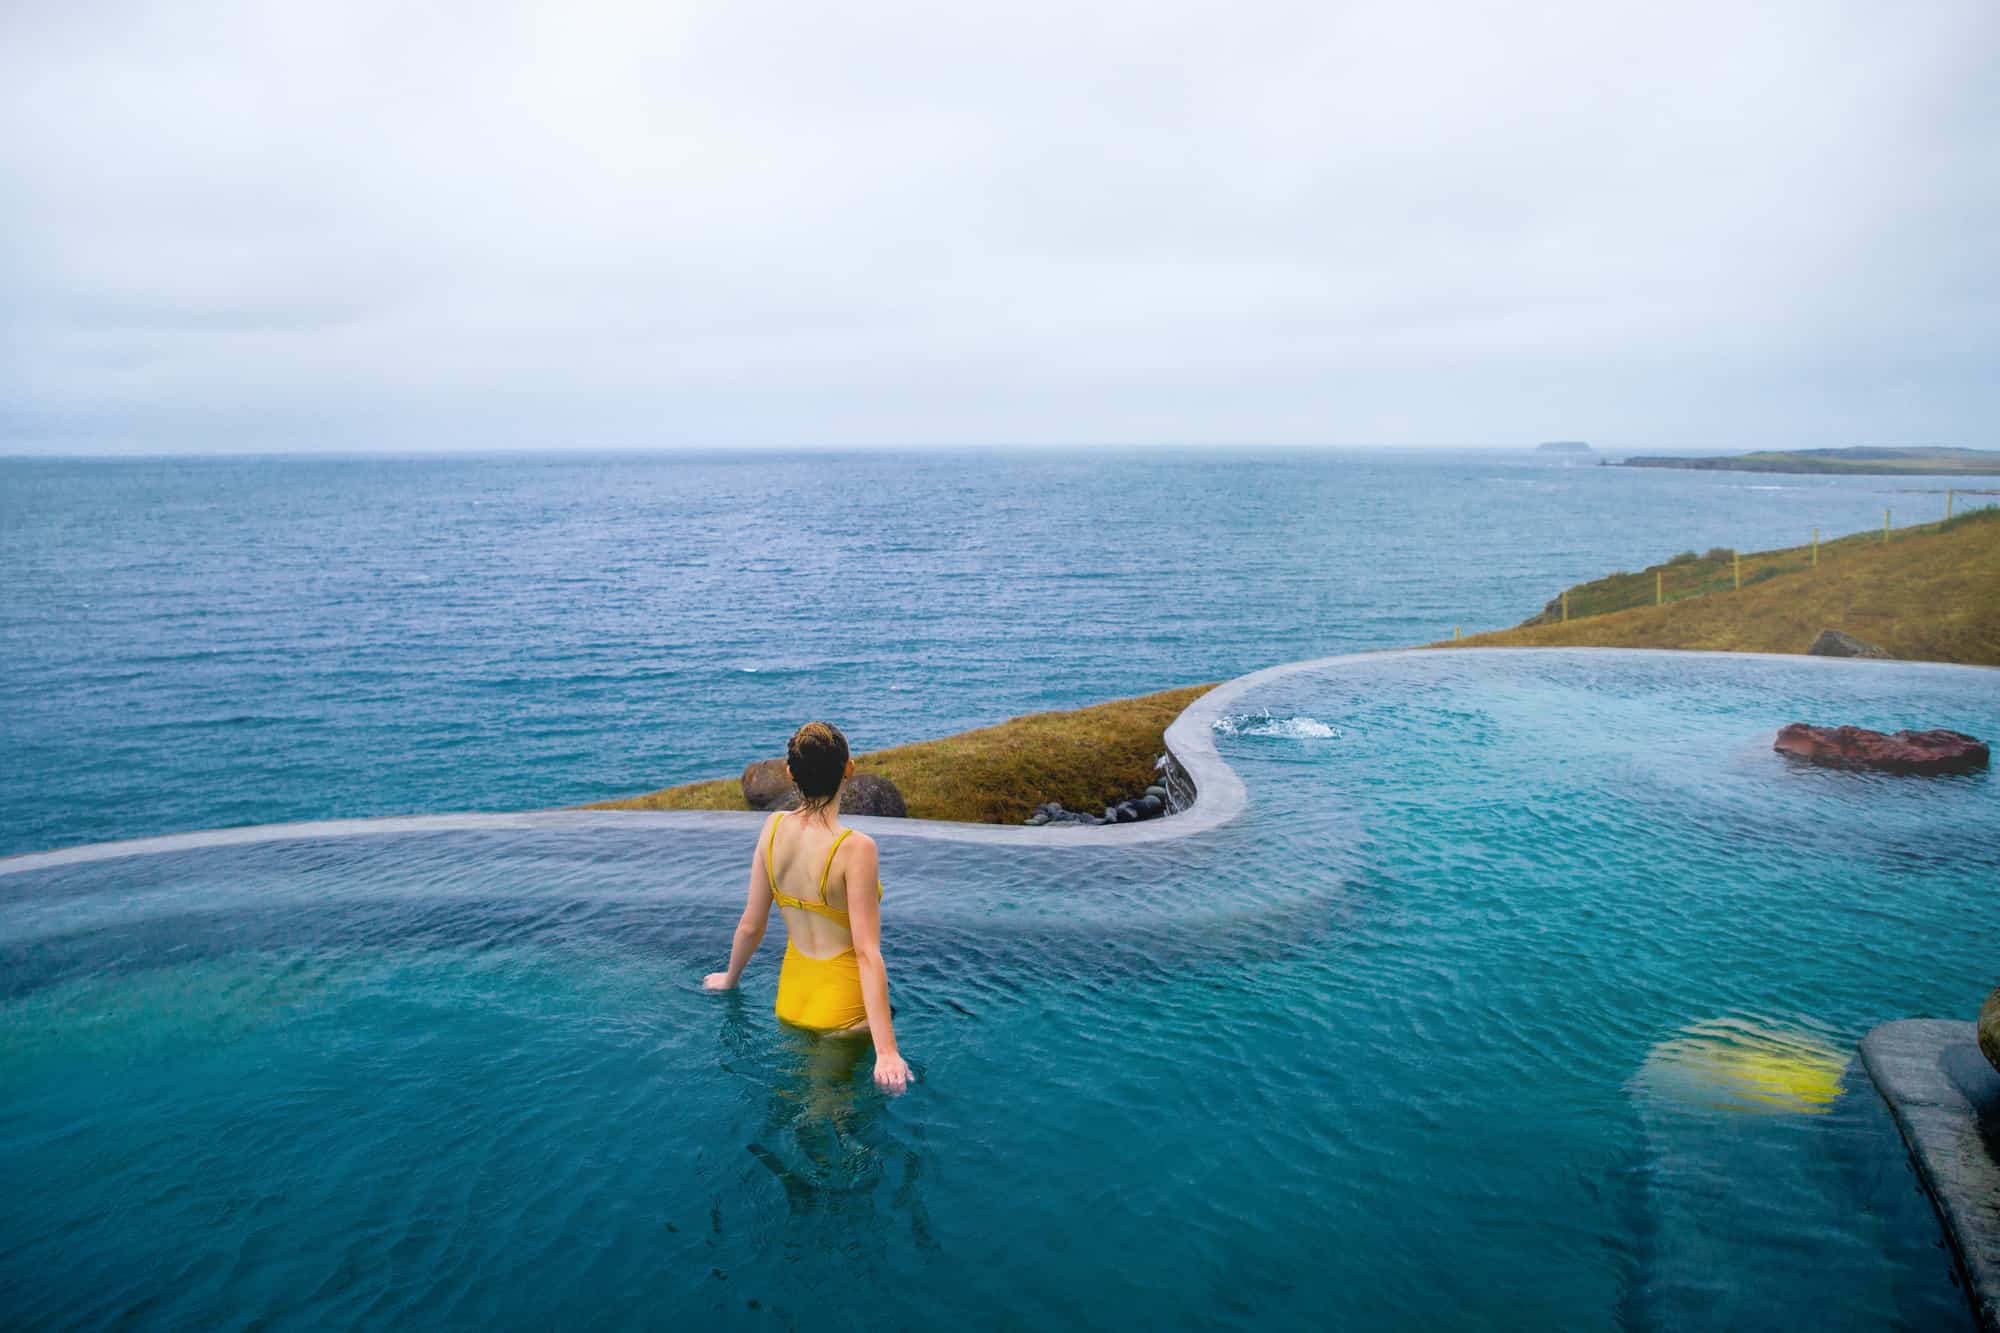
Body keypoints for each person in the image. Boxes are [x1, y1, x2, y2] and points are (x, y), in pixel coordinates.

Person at [704, 721, 911, 1094]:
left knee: (795, 1106)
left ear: (789, 773)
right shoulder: (856, 848)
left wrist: (729, 979)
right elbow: (866, 953)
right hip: (842, 1011)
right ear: (849, 769)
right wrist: (888, 1052)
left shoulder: (772, 828)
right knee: (834, 1124)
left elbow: (751, 924)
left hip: (790, 1000)